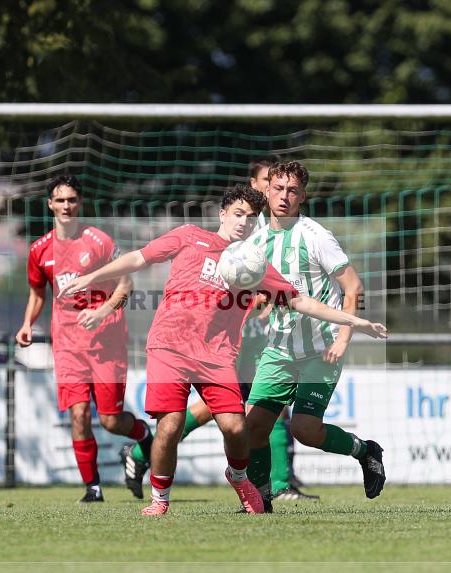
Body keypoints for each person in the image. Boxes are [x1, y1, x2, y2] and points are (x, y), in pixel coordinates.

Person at [66, 184, 386, 516]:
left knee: (236, 428)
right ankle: (159, 500)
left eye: (251, 218)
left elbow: (301, 301)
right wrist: (93, 277)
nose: (244, 223)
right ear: (222, 214)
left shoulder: (255, 263)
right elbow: (139, 257)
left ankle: (238, 477)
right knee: (170, 425)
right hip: (168, 347)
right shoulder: (189, 236)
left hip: (217, 356)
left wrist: (355, 322)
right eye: (238, 214)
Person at [119, 155, 319, 503]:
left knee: (258, 407)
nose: (277, 193)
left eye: (284, 188)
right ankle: (145, 453)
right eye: (270, 185)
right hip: (221, 338)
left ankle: (276, 483)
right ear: (259, 187)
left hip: (256, 333)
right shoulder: (243, 230)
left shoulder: (279, 230)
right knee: (232, 408)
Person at [245, 161, 386, 509]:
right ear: (266, 190)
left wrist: (343, 338)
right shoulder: (257, 238)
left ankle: (364, 450)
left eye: (292, 190)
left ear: (302, 196)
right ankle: (260, 500)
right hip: (278, 348)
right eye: (278, 188)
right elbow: (265, 288)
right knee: (252, 428)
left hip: (321, 349)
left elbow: (353, 287)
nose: (283, 196)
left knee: (305, 430)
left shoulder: (316, 236)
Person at [15, 174, 152, 503]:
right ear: (50, 204)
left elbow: (126, 283)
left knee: (110, 420)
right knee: (78, 415)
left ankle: (144, 437)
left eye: (71, 200)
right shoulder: (39, 250)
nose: (66, 206)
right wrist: (27, 323)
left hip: (107, 343)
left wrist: (103, 311)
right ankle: (93, 488)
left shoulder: (98, 241)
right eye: (60, 200)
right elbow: (37, 294)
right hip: (67, 346)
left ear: (80, 204)